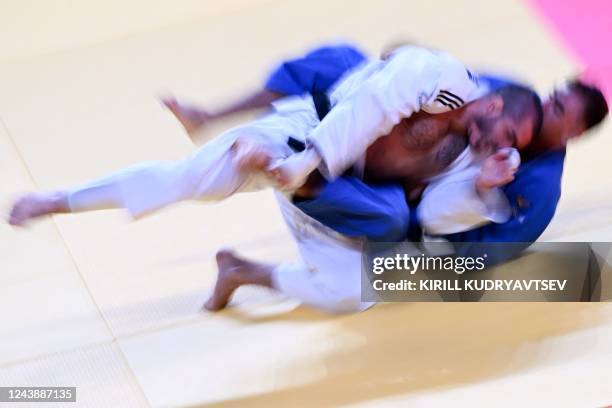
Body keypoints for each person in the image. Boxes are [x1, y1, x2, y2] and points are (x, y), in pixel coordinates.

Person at [7, 45, 541, 227]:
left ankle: (276, 166)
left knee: (371, 256)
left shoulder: (472, 154)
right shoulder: (446, 77)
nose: (497, 145)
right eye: (503, 132)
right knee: (195, 179)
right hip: (308, 130)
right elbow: (376, 103)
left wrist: (481, 188)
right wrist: (308, 158)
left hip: (336, 184)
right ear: (493, 102)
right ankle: (59, 201)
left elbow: (435, 215)